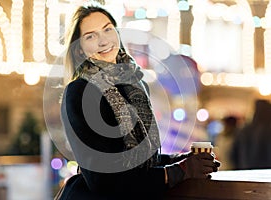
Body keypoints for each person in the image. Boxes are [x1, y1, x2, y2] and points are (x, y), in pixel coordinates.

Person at [56, 3, 220, 200]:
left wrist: (182, 160)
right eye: (91, 36)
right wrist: (178, 171)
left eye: (108, 29)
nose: (103, 40)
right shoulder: (80, 92)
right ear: (79, 50)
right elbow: (104, 179)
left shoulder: (135, 87)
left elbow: (142, 164)